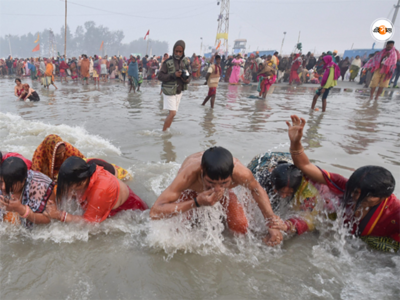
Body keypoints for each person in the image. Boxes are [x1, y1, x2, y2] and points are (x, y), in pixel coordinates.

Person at [285, 115, 400, 252]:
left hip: (380, 242)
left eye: (364, 195)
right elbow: (305, 166)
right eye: (355, 191)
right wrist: (295, 142)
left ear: (382, 197)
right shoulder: (348, 186)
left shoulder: (395, 212)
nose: (355, 196)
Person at [150, 147, 284, 245]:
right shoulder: (188, 175)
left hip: (225, 193)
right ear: (202, 172)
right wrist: (196, 202)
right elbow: (155, 212)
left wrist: (271, 223)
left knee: (240, 227)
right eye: (211, 183)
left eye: (224, 183)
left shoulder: (241, 173)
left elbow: (257, 191)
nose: (217, 189)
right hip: (191, 193)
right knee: (177, 231)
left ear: (231, 175)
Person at [248, 152, 340, 236]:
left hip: (290, 164)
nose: (283, 196)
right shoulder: (262, 179)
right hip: (263, 162)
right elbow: (249, 204)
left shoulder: (306, 190)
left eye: (289, 192)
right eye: (281, 192)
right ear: (273, 184)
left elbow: (308, 219)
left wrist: (286, 225)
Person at [43, 156, 148, 223]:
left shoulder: (101, 190)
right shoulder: (83, 172)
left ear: (81, 183)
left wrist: (60, 215)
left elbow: (90, 224)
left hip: (134, 212)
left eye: (69, 188)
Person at [0, 157, 55, 227]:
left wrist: (21, 209)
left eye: (9, 184)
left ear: (23, 181)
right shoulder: (4, 180)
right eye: (1, 182)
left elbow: (49, 219)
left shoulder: (40, 187)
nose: (3, 187)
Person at [158, 40, 191, 131]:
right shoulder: (167, 63)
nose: (178, 53)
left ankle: (166, 131)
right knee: (172, 113)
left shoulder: (185, 62)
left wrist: (186, 79)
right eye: (176, 51)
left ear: (183, 51)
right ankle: (164, 133)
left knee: (173, 113)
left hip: (178, 91)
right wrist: (173, 75)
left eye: (180, 52)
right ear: (173, 50)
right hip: (169, 90)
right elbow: (160, 76)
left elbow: (189, 76)